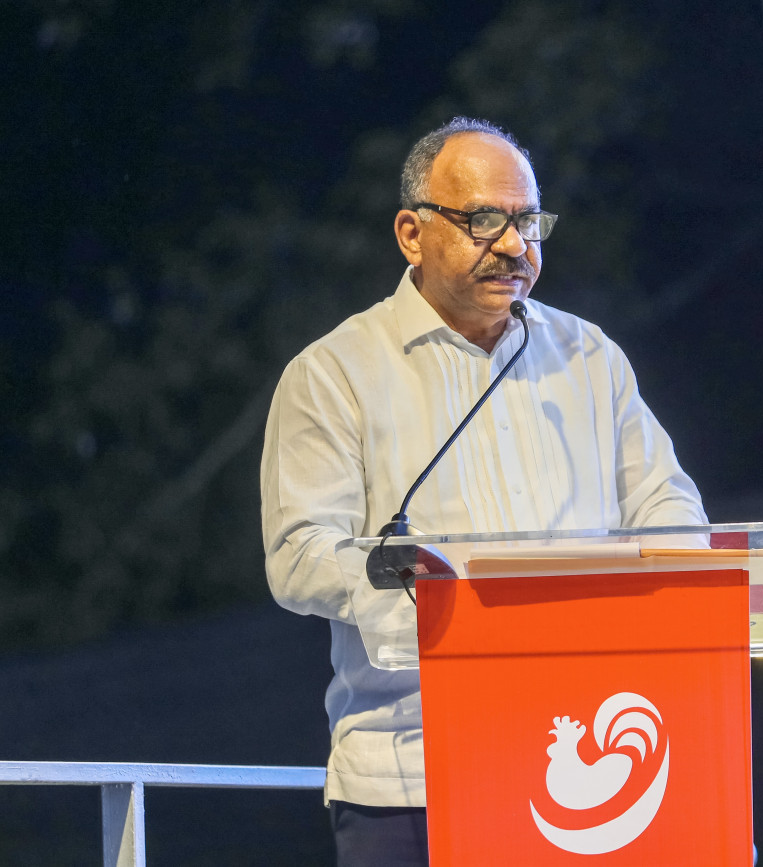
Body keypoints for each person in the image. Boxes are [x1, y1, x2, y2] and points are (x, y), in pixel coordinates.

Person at [260, 116, 706, 864]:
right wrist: (432, 598)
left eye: (527, 222)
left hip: (586, 751)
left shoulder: (589, 356)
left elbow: (668, 507)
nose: (513, 245)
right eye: (483, 221)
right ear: (411, 234)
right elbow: (299, 556)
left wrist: (670, 580)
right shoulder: (334, 373)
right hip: (413, 773)